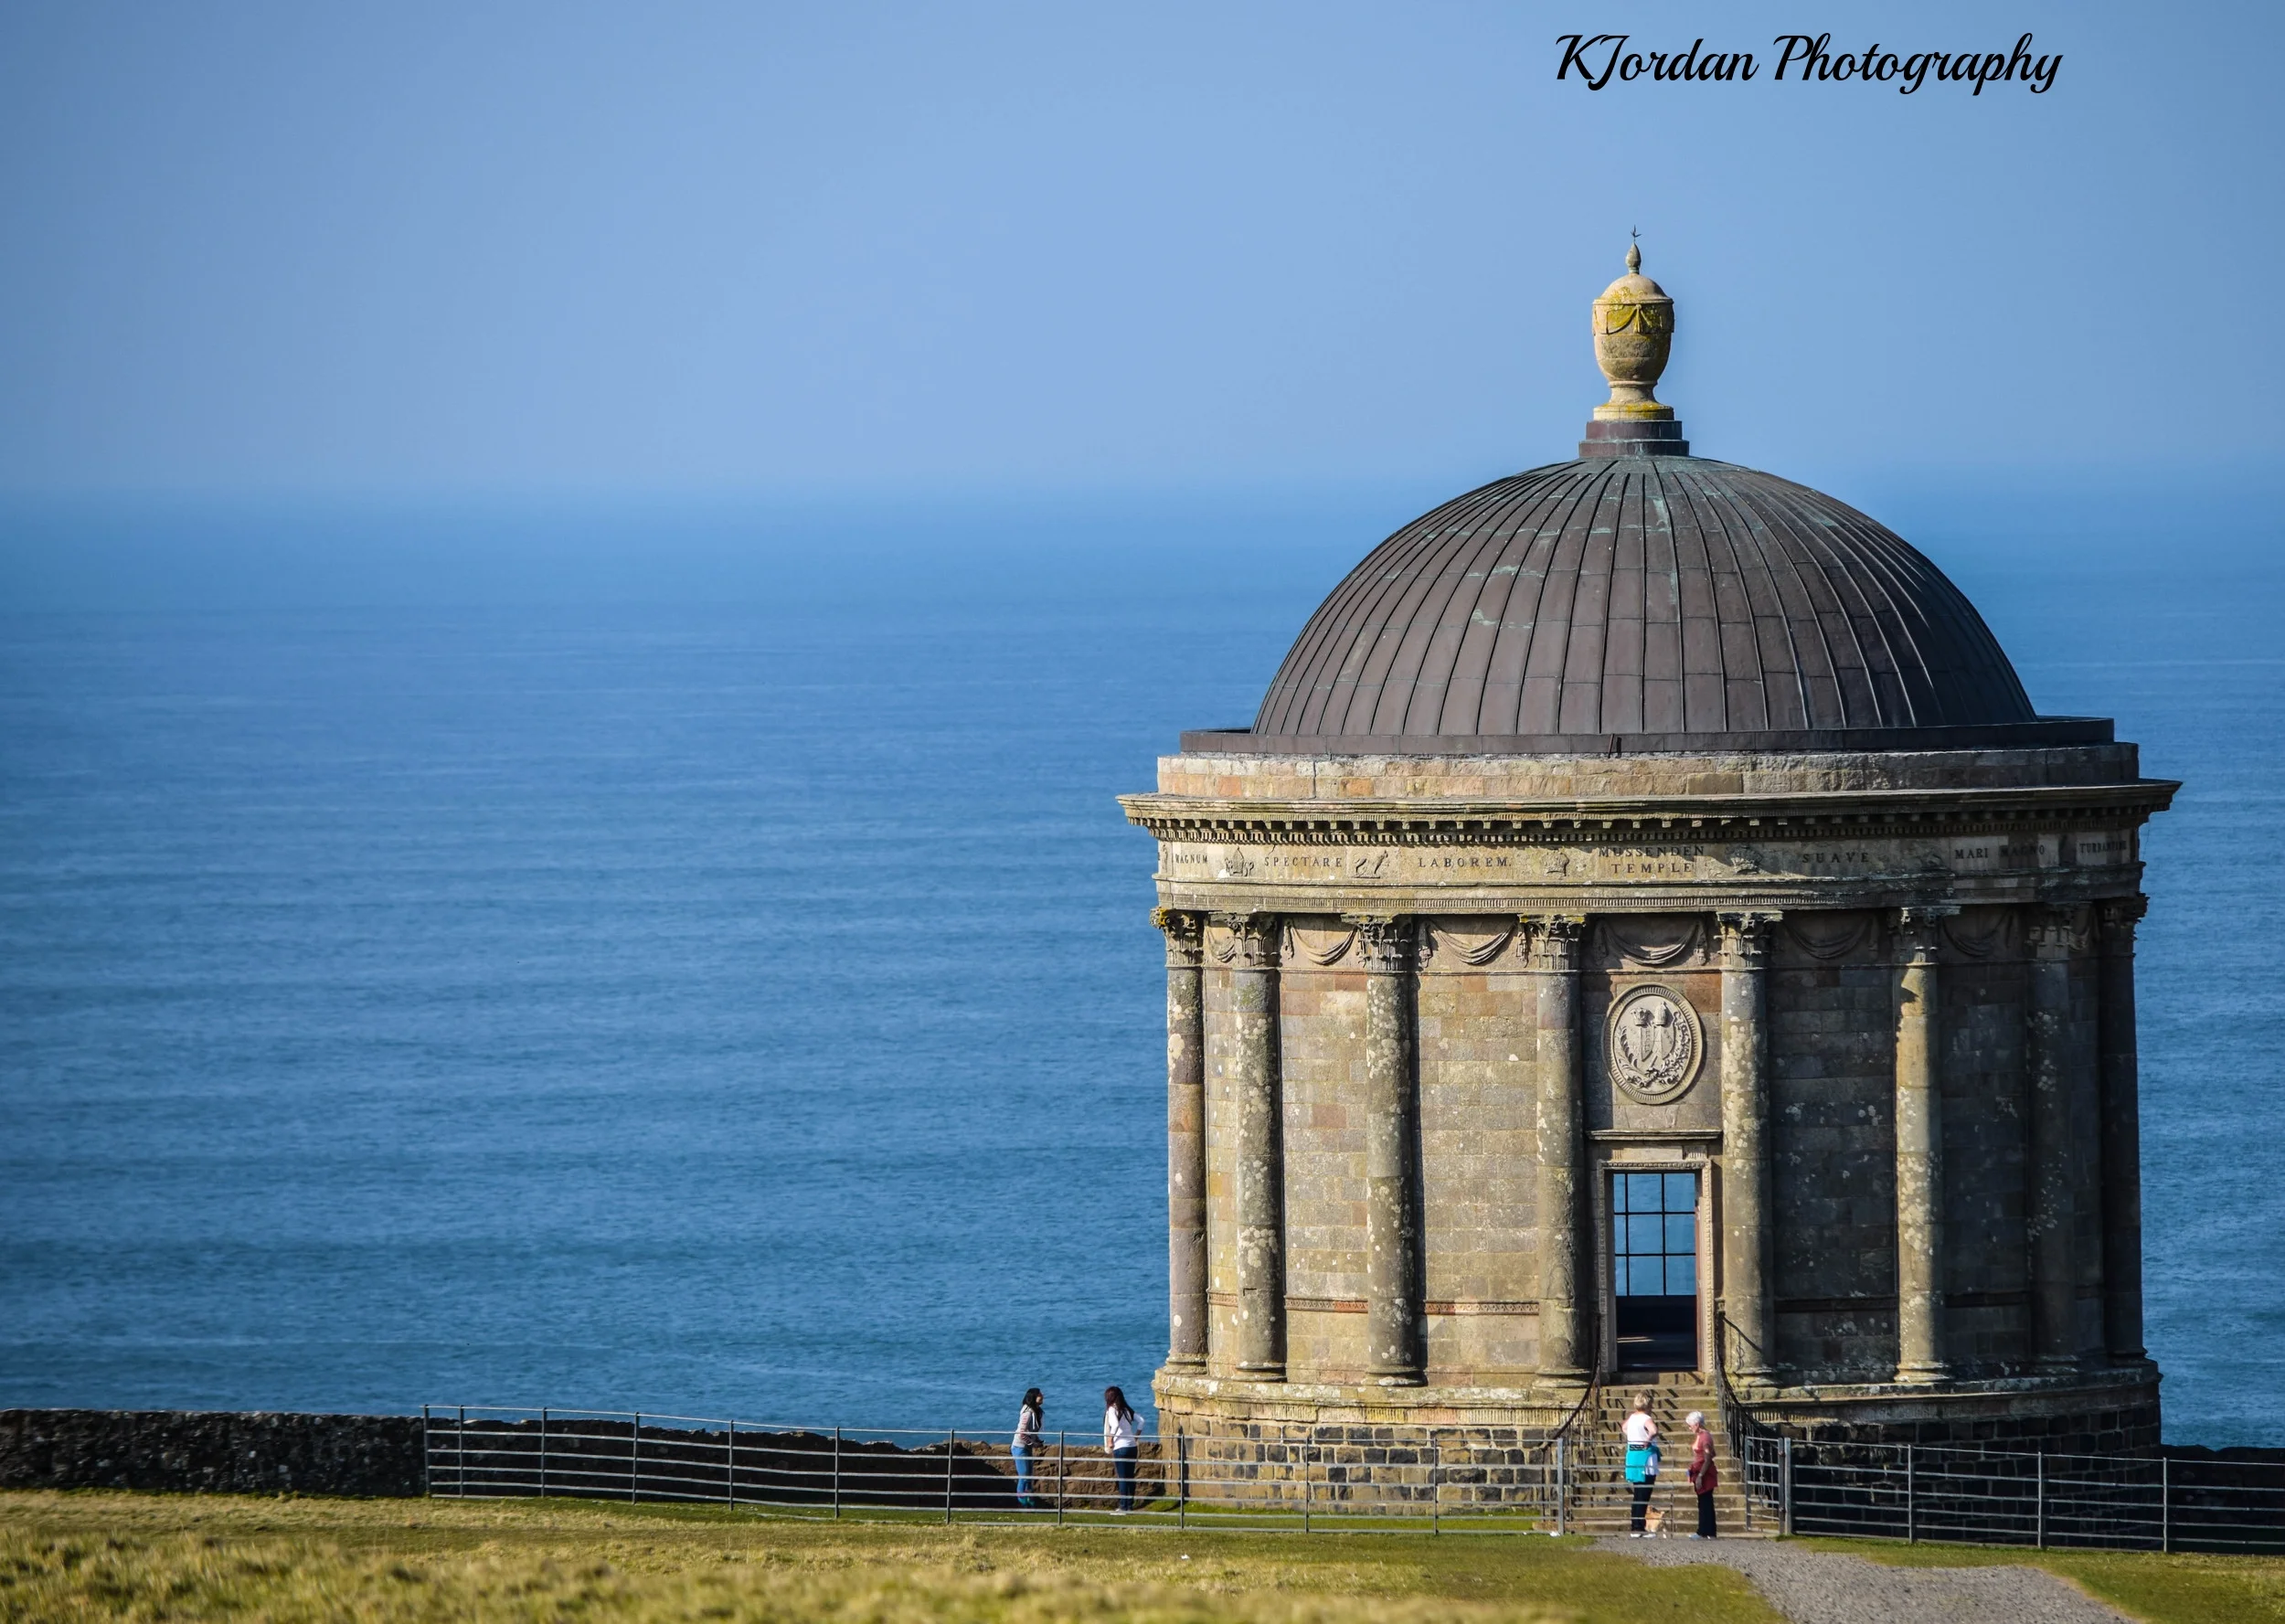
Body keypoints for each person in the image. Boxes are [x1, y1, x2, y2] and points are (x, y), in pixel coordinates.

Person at [1622, 1393, 1661, 1536]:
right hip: (1645, 1458)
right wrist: (1648, 1438)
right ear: (1648, 1405)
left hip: (1633, 1456)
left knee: (1637, 1493)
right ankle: (1638, 1527)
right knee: (1644, 1494)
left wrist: (1633, 1437)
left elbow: (1624, 1427)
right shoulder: (1646, 1418)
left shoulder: (1632, 1418)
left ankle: (1636, 1525)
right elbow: (1654, 1430)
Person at [1102, 1385, 1142, 1513]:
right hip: (1132, 1447)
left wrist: (1110, 1440)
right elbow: (1142, 1421)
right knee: (1130, 1477)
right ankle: (1130, 1505)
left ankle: (1123, 1506)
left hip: (1120, 1447)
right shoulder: (1126, 1409)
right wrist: (1136, 1436)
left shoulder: (1112, 1410)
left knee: (1122, 1478)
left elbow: (1114, 1425)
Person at [1685, 1409, 1718, 1537]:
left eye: (1690, 1425)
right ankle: (1708, 1530)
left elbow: (1708, 1457)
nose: (1689, 1428)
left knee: (1705, 1502)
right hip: (1700, 1469)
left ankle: (1704, 1530)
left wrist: (1700, 1476)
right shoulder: (1702, 1436)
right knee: (1704, 1501)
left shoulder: (1705, 1437)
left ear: (1697, 1424)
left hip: (1704, 1472)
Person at [1012, 1388, 1044, 1510]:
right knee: (1024, 1476)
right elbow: (1022, 1433)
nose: (1042, 1396)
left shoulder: (1037, 1412)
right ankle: (1021, 1503)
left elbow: (1032, 1431)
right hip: (1020, 1447)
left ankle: (1030, 1504)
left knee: (1029, 1477)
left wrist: (1036, 1440)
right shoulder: (1027, 1413)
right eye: (1040, 1394)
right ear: (1034, 1397)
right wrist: (1033, 1444)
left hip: (1027, 1447)